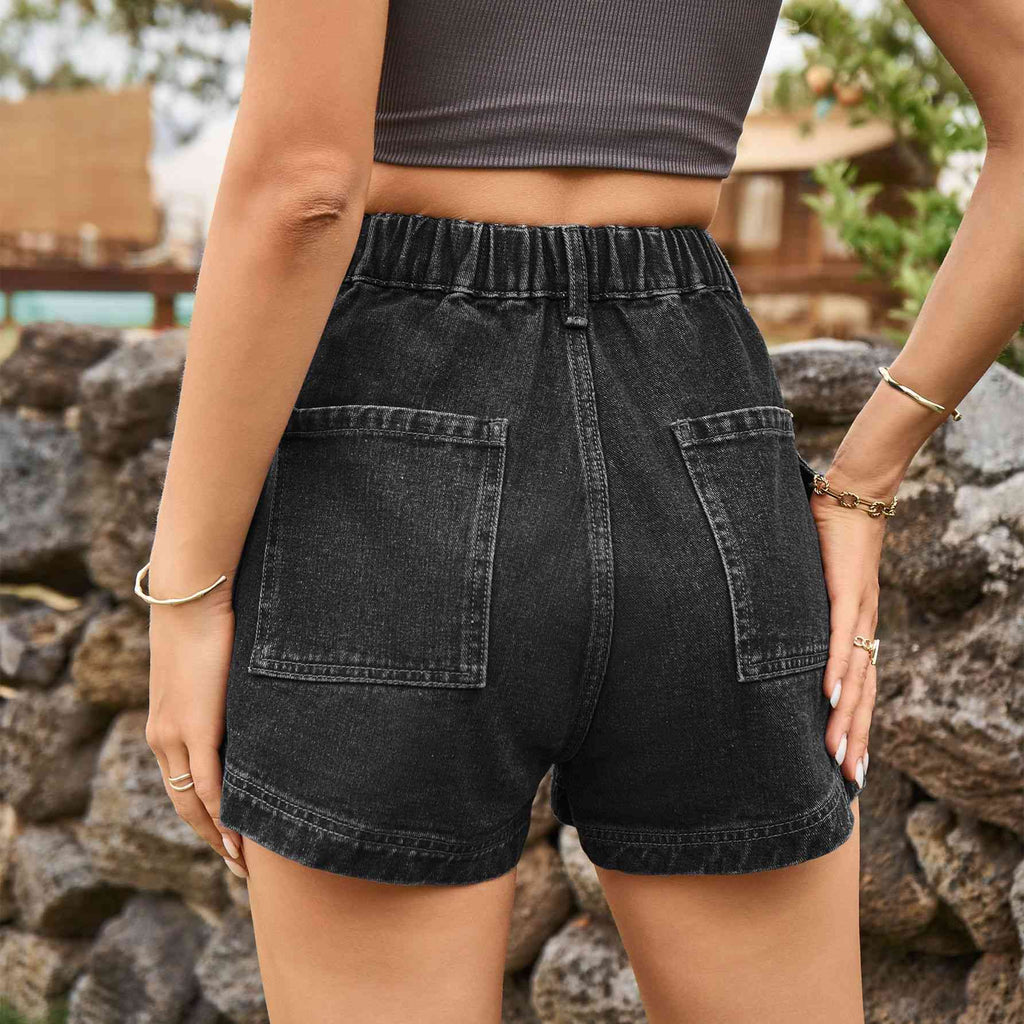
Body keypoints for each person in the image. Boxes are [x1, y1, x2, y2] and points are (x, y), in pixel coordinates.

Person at [138, 0, 1022, 1020]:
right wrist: (866, 480)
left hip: (398, 429)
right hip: (697, 421)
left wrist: (188, 592)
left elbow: (304, 186)